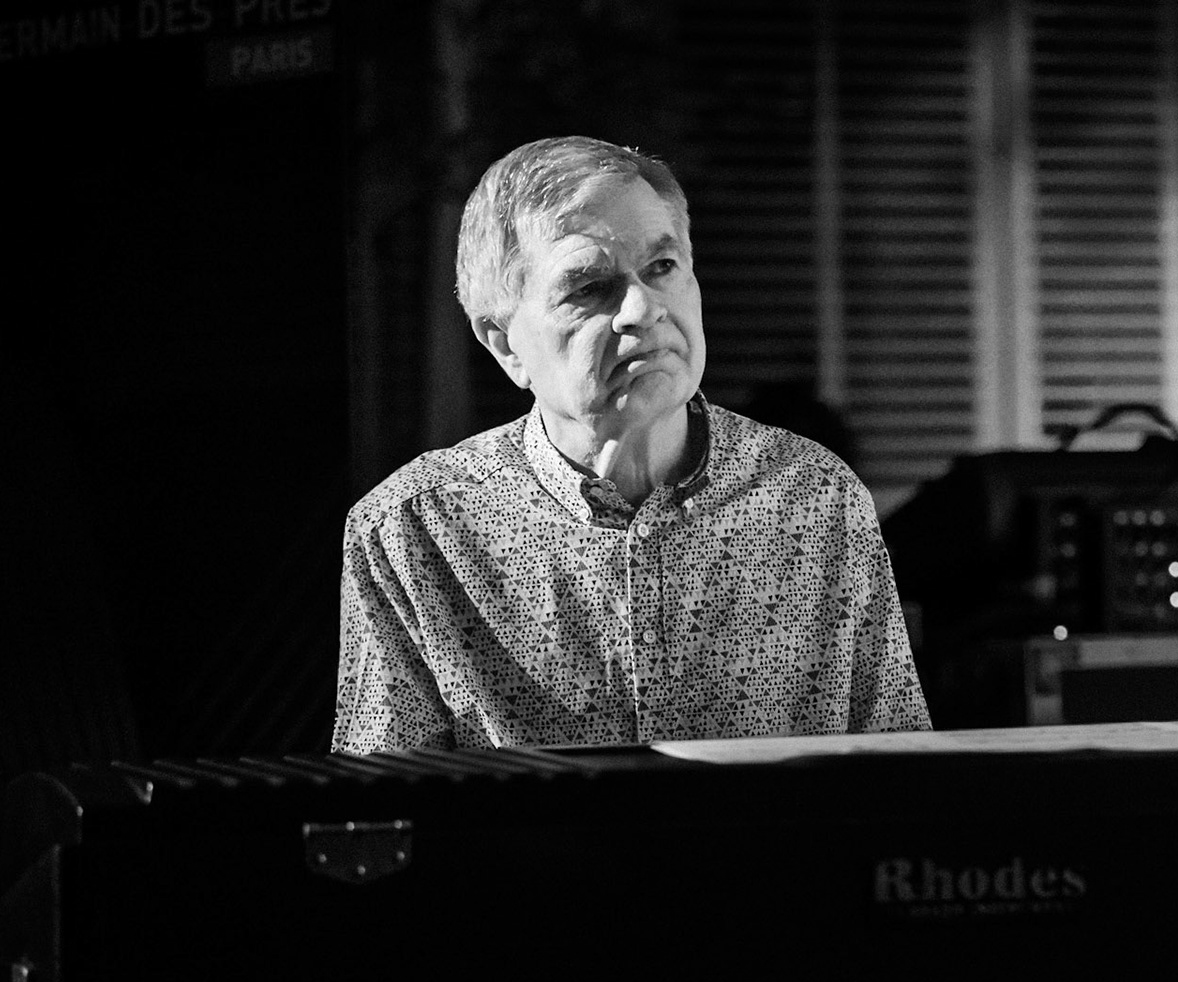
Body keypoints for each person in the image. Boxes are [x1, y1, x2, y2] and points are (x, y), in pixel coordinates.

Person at [332, 136, 930, 752]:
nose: (642, 309)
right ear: (505, 344)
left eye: (662, 268)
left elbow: (900, 786)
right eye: (589, 288)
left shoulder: (816, 499)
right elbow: (383, 818)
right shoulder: (412, 531)